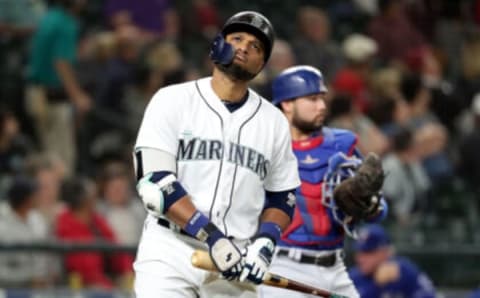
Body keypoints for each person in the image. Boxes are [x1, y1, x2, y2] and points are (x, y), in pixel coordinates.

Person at [132, 11, 300, 298]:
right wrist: (211, 236)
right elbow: (155, 184)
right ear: (218, 45)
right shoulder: (172, 100)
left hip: (237, 259)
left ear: (262, 64)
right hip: (171, 249)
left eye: (256, 46)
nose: (245, 47)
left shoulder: (273, 122)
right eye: (237, 38)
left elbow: (282, 196)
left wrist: (266, 241)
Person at [259, 65, 388, 298]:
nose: (322, 106)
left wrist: (370, 205)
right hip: (284, 267)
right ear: (287, 104)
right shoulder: (264, 149)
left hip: (335, 266)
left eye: (322, 98)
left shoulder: (341, 144)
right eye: (312, 99)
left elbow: (378, 209)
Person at [349, 224, 436, 298]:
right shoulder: (353, 278)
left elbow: (429, 294)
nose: (361, 259)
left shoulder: (403, 270)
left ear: (385, 252)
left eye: (368, 252)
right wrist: (377, 285)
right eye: (359, 252)